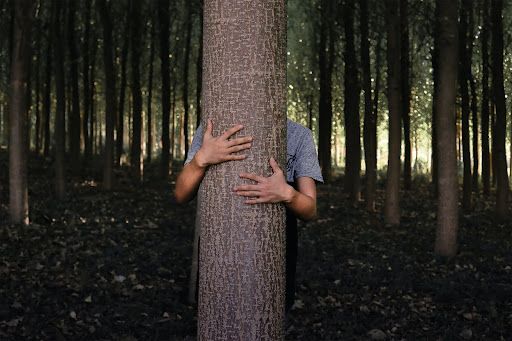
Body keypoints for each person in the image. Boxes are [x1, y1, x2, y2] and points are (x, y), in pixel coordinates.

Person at [175, 118, 323, 312]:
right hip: (217, 248)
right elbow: (180, 194)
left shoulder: (300, 135)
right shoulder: (212, 126)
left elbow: (310, 210)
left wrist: (288, 193)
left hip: (276, 250)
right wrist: (201, 159)